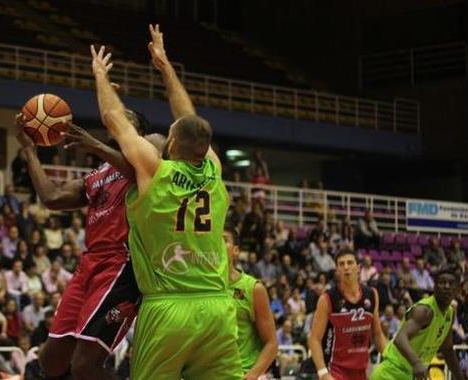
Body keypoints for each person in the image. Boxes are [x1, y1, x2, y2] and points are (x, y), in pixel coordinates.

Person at [93, 25, 243, 378]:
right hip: (218, 309)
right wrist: (165, 66)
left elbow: (115, 121)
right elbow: (189, 120)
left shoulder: (154, 171)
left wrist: (100, 77)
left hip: (169, 307)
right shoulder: (214, 169)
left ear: (172, 144)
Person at [16, 67, 164, 380]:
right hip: (89, 264)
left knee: (85, 367)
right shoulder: (97, 176)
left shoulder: (148, 159)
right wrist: (29, 151)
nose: (115, 116)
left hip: (121, 265)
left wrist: (95, 144)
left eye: (124, 116)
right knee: (51, 361)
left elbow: (136, 162)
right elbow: (52, 197)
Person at [371, 265, 465, 380]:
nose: (446, 286)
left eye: (451, 284)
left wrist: (461, 378)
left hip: (410, 376)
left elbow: (447, 349)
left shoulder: (450, 314)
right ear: (434, 286)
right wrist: (416, 363)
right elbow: (400, 338)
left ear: (457, 290)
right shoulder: (425, 311)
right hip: (391, 373)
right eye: (442, 282)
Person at [308, 249, 386, 380]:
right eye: (341, 264)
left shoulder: (372, 295)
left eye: (350, 263)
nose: (346, 267)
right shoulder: (327, 299)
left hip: (362, 370)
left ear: (358, 268)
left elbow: (377, 334)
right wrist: (323, 373)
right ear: (337, 270)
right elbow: (314, 339)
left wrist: (393, 358)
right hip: (335, 370)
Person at [225, 227, 278, 379]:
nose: (218, 244)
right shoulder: (202, 286)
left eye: (224, 240)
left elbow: (271, 344)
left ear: (236, 251)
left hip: (243, 372)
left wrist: (251, 376)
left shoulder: (254, 289)